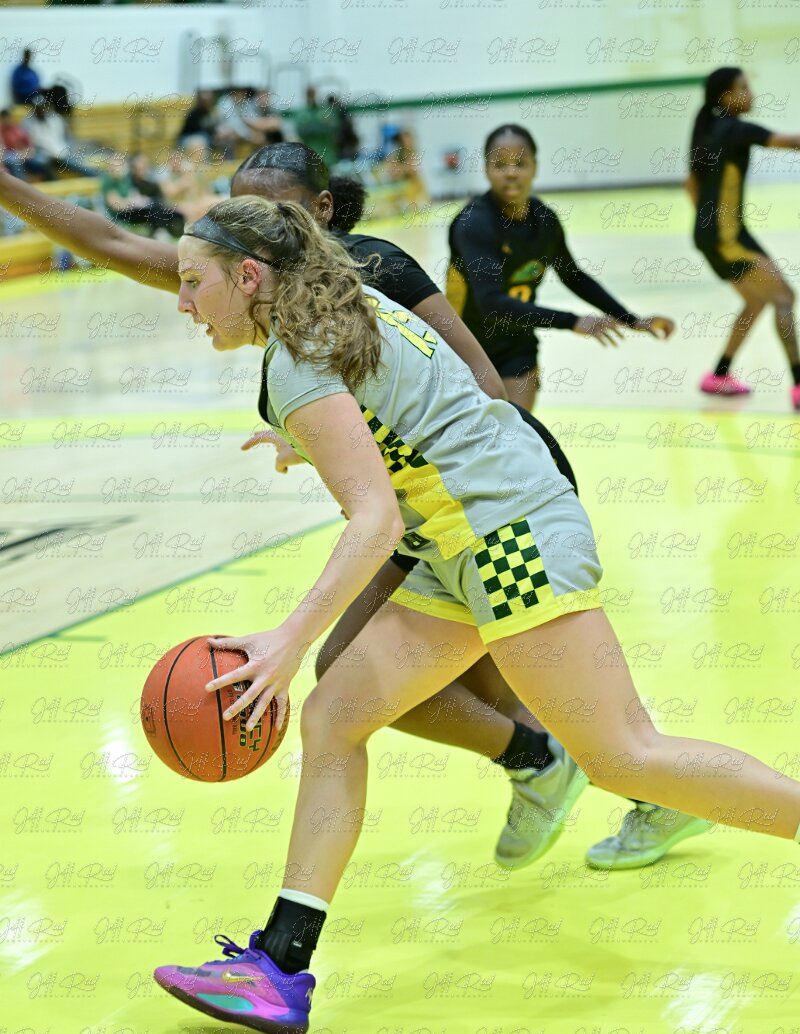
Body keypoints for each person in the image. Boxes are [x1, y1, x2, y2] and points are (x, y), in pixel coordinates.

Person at [151, 195, 800, 1034]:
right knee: (335, 716)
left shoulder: (296, 362)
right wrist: (311, 440)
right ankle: (279, 965)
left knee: (624, 755)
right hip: (468, 537)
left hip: (505, 539)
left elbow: (374, 519)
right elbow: (416, 413)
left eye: (191, 281)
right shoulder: (341, 304)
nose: (182, 301)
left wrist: (287, 641)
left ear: (248, 277)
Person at [0, 142, 702, 873]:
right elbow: (110, 243)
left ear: (322, 209)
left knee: (496, 669)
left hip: (487, 490)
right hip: (417, 503)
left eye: (274, 207)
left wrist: (478, 483)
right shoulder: (233, 270)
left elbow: (478, 376)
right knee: (368, 673)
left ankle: (616, 777)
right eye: (242, 207)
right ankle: (560, 764)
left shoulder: (373, 268)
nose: (255, 223)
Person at [447, 124, 674, 411]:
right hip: (466, 347)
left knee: (518, 431)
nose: (511, 172)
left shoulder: (545, 221)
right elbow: (491, 303)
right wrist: (571, 321)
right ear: (486, 169)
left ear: (535, 166)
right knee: (483, 433)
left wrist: (631, 319)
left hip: (517, 345)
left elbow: (573, 275)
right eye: (500, 164)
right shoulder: (474, 224)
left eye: (520, 163)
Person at [687, 67, 800, 409]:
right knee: (784, 297)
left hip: (714, 234)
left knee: (756, 301)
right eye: (743, 88)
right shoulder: (734, 129)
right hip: (728, 236)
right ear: (725, 96)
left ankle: (719, 375)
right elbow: (791, 142)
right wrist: (719, 229)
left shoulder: (710, 129)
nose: (750, 94)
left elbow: (690, 185)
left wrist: (707, 225)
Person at [100, 152, 184, 239]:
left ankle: (166, 231)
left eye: (121, 164)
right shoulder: (108, 181)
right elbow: (116, 206)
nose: (119, 167)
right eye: (116, 164)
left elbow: (134, 194)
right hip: (122, 214)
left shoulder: (125, 180)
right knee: (154, 210)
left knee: (158, 204)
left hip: (134, 209)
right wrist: (131, 202)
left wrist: (139, 200)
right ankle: (159, 233)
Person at [24, 95, 97, 179]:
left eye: (42, 107)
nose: (41, 110)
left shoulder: (56, 118)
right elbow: (32, 143)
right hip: (42, 153)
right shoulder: (27, 122)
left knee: (74, 162)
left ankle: (98, 176)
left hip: (61, 151)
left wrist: (66, 149)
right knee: (41, 162)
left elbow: (67, 137)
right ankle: (53, 182)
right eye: (38, 108)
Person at [0, 109, 53, 181]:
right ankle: (22, 183)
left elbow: (30, 144)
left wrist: (28, 152)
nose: (7, 120)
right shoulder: (1, 131)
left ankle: (51, 181)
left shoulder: (18, 128)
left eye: (8, 118)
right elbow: (3, 149)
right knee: (14, 160)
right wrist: (18, 153)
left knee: (43, 158)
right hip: (10, 154)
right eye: (4, 118)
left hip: (25, 153)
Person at [293, 87, 341, 166]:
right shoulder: (302, 113)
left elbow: (335, 128)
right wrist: (319, 126)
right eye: (310, 94)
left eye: (314, 94)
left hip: (327, 156)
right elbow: (300, 131)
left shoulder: (325, 111)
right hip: (310, 156)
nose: (313, 97)